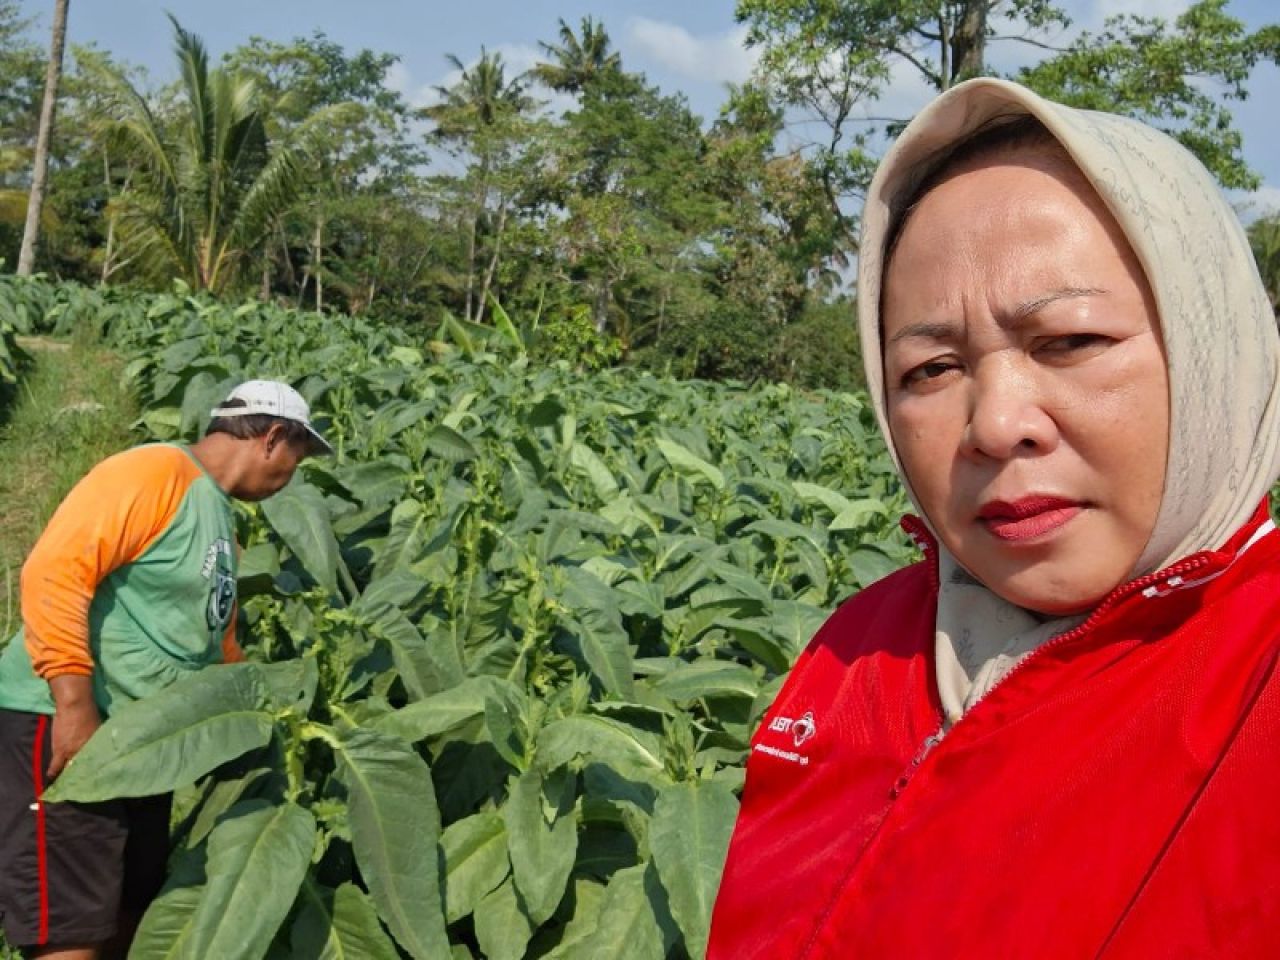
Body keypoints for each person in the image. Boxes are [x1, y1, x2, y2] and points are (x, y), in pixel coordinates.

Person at [708, 78, 1280, 957]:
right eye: (932, 369)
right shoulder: (859, 644)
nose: (994, 424)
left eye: (1070, 341)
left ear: (1212, 346)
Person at [0, 379, 330, 960]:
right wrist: (74, 709)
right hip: (62, 722)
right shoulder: (155, 472)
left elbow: (215, 645)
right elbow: (54, 572)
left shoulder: (217, 515)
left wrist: (268, 717)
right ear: (273, 438)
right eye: (295, 463)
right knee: (71, 928)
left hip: (142, 743)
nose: (289, 481)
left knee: (129, 907)